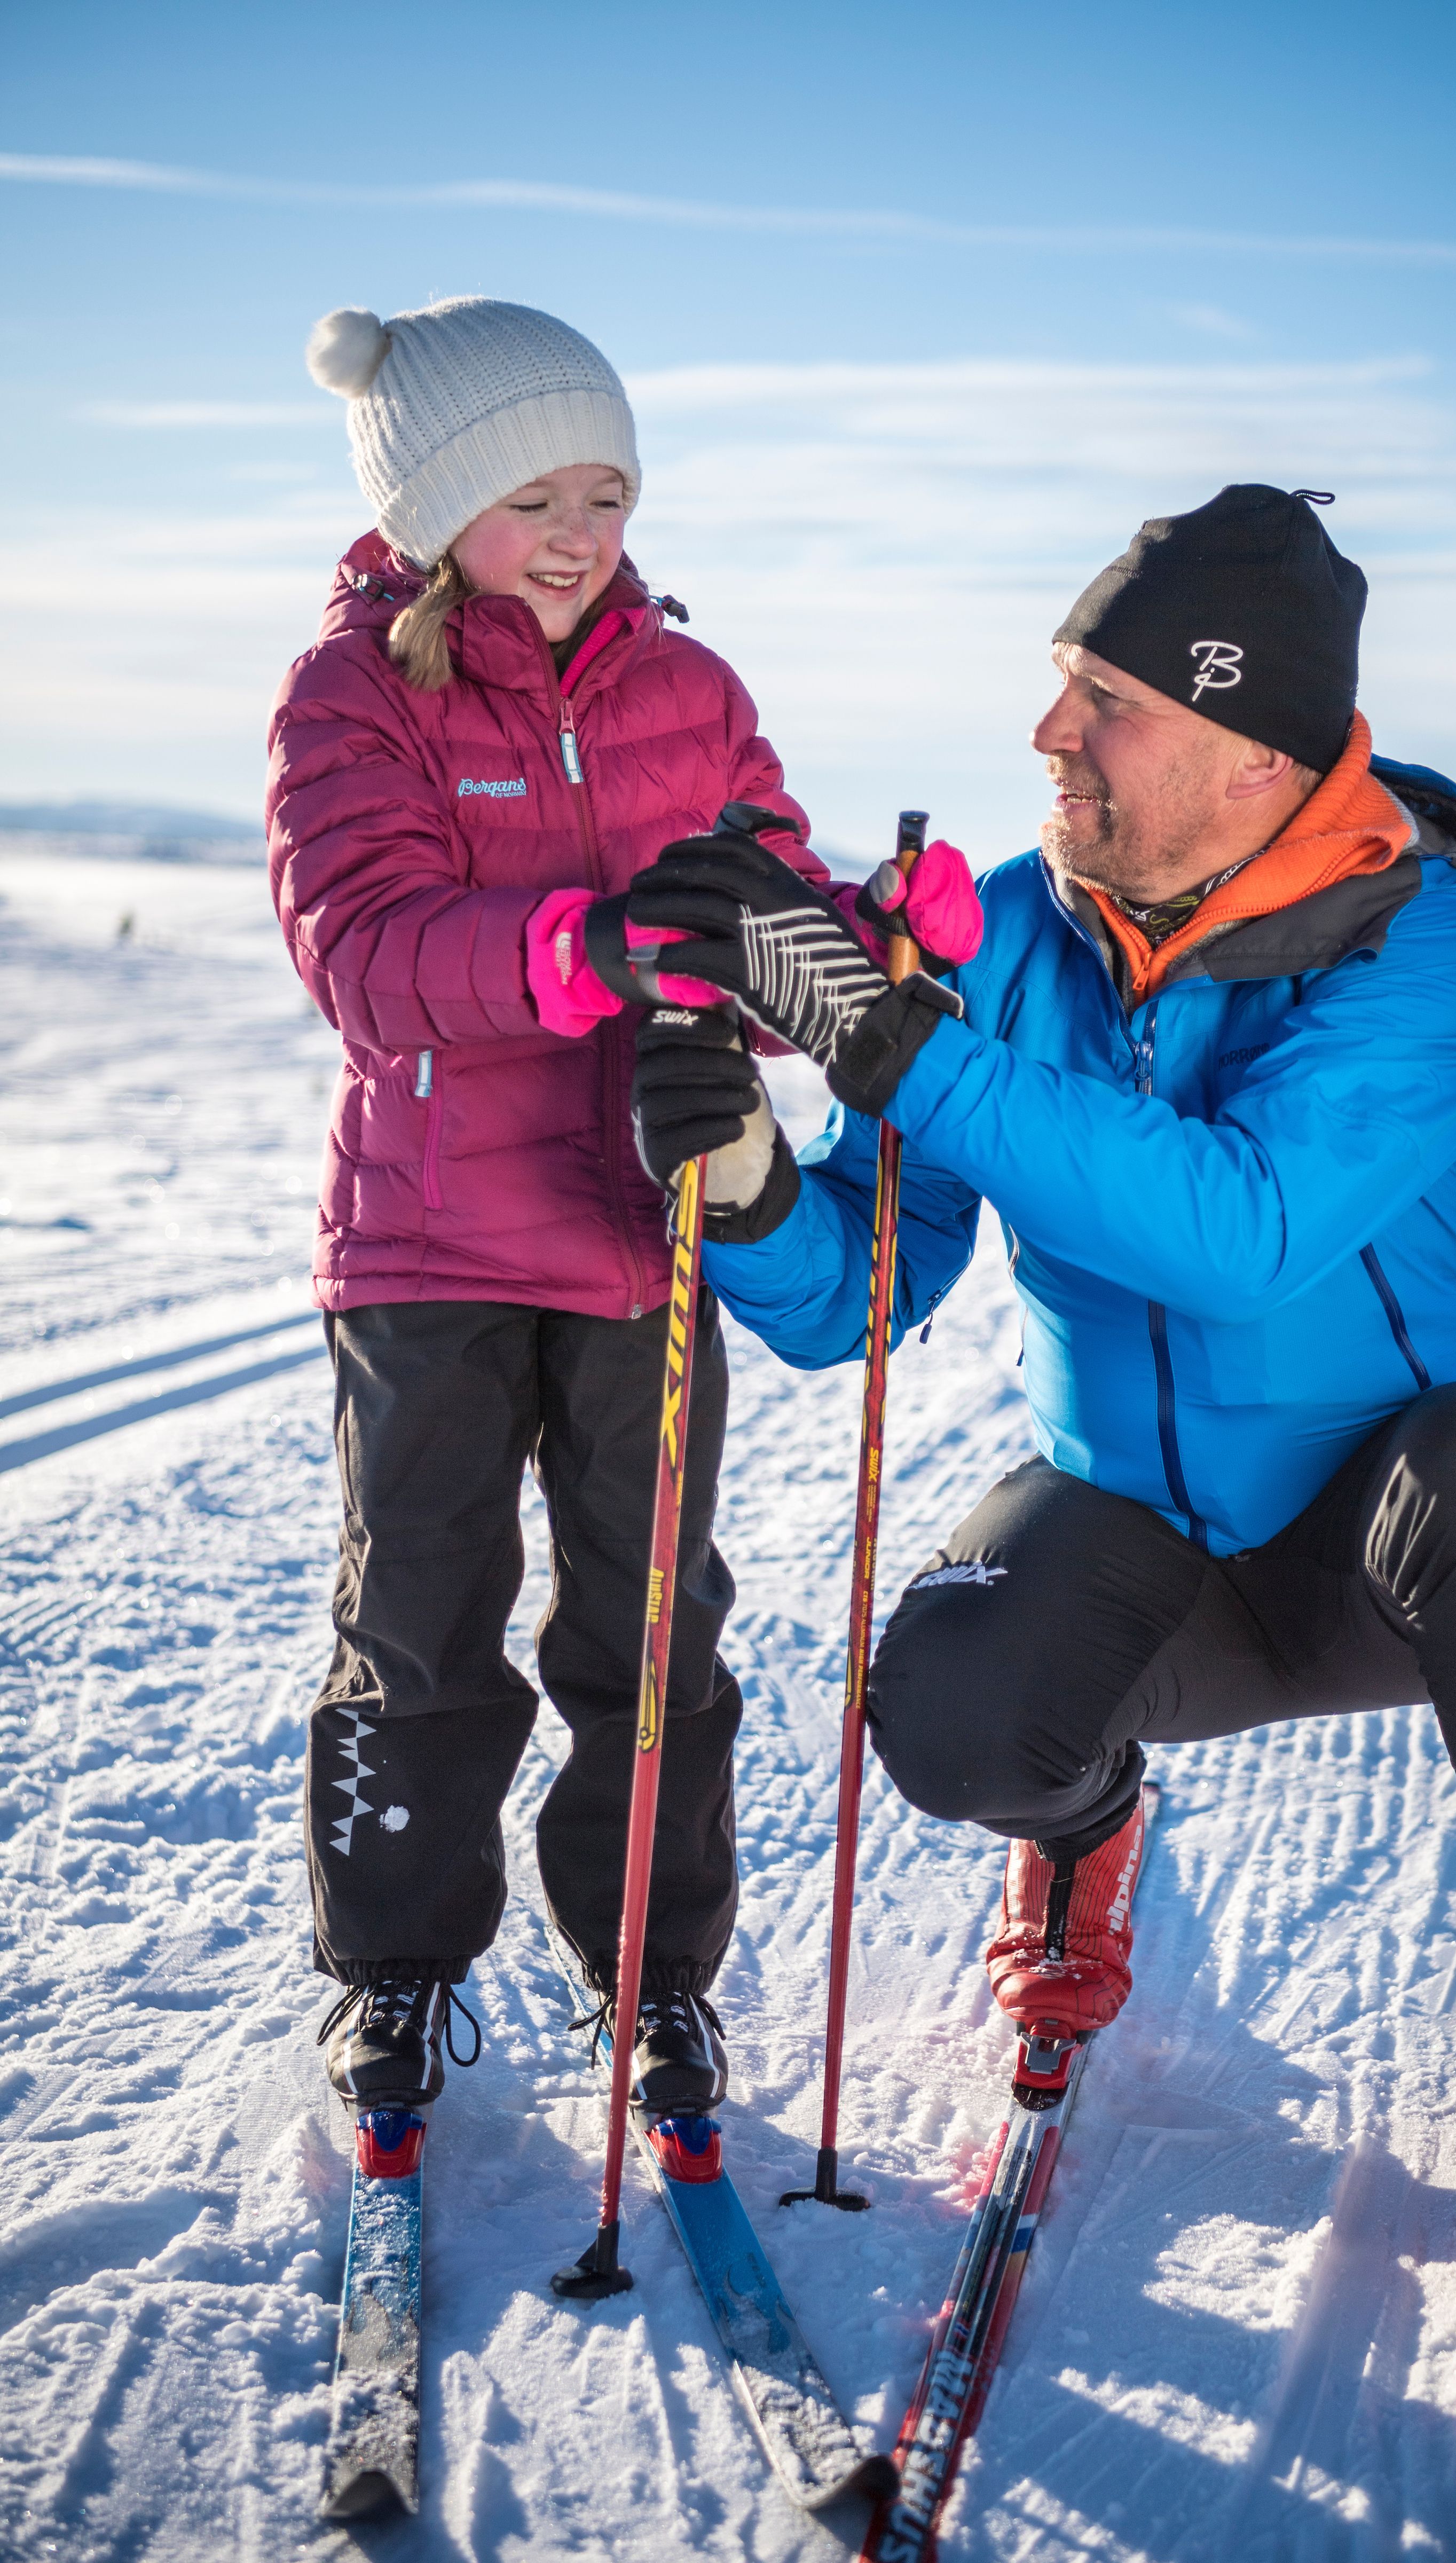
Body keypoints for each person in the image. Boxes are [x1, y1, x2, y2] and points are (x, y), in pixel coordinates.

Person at [617, 484, 1456, 2255]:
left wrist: (892, 1039)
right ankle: (1085, 1824)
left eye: (1109, 701)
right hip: (1141, 1533)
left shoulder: (1435, 949)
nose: (1051, 733)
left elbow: (1238, 1230)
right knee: (945, 1707)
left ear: (1252, 752)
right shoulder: (1022, 929)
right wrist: (748, 1184)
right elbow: (858, 1296)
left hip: (1390, 1566)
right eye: (1060, 682)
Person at [265, 294, 981, 2131]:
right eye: (531, 495)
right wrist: (589, 949)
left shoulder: (693, 691)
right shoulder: (361, 693)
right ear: (432, 508)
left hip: (644, 1240)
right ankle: (397, 1977)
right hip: (429, 1247)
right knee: (423, 1618)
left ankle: (658, 1983)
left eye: (607, 488)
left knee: (655, 1626)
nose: (580, 531)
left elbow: (758, 900)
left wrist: (872, 933)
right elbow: (366, 956)